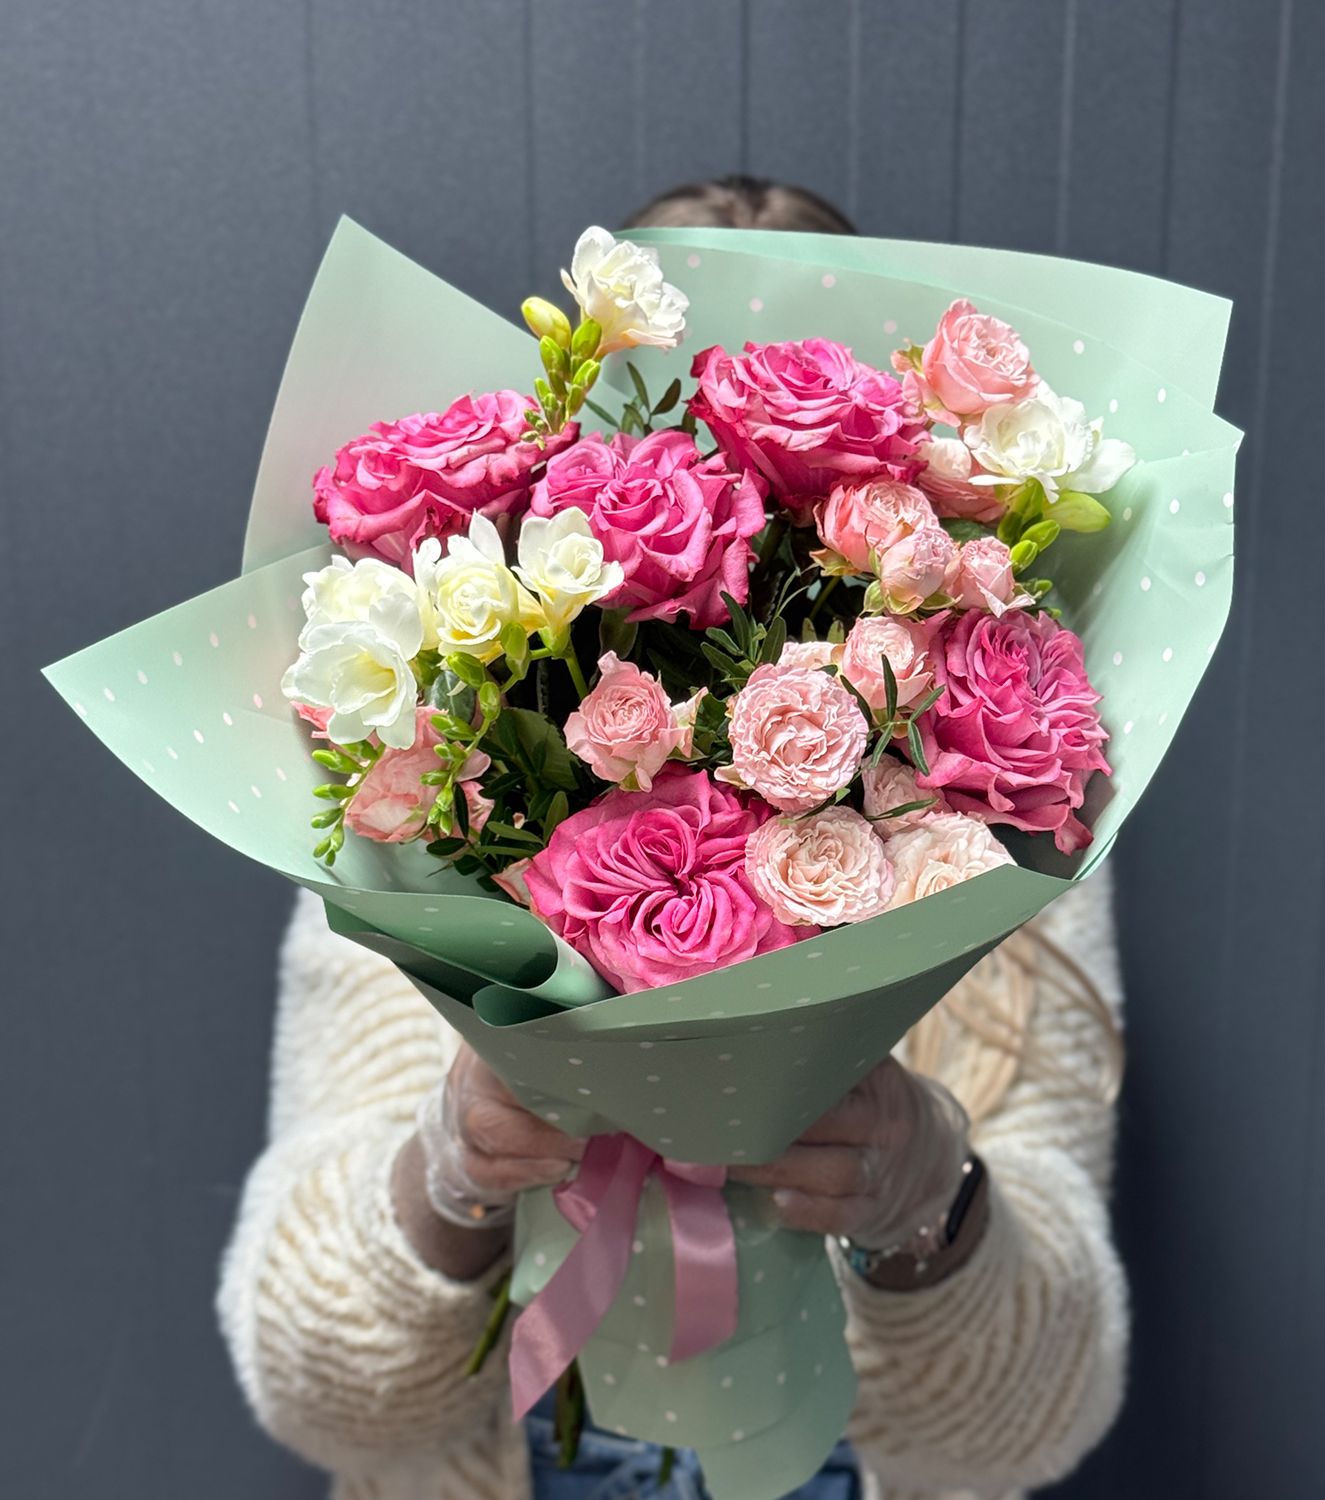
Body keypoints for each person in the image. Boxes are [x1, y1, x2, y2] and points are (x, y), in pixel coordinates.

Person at [218, 176, 1129, 1500]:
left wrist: (927, 1207)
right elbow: (318, 1396)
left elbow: (1036, 1421)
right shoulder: (426, 787)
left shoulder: (1011, 814)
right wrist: (453, 1174)